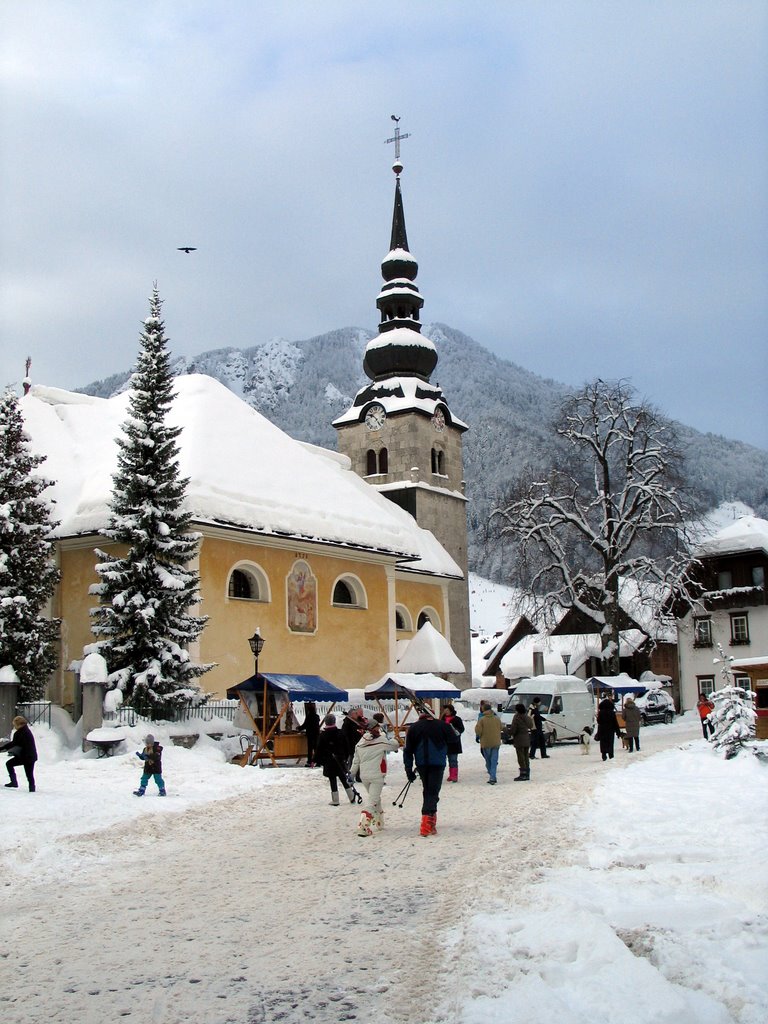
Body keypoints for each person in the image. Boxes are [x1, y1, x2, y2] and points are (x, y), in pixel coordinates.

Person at [403, 710, 457, 837]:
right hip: (437, 763)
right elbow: (454, 738)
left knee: (427, 789)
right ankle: (427, 822)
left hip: (421, 764)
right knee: (433, 791)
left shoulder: (414, 727)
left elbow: (408, 750)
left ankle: (430, 820)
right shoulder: (442, 725)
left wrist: (408, 769)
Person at [350, 722, 399, 836]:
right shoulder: (381, 740)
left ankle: (379, 822)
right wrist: (389, 737)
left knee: (375, 798)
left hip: (364, 776)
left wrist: (352, 774)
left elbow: (356, 761)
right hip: (377, 775)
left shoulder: (360, 743)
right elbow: (394, 746)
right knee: (373, 801)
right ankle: (363, 826)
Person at [314, 714, 356, 806]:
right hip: (340, 759)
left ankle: (335, 800)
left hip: (329, 760)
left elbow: (319, 749)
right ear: (334, 721)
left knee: (332, 779)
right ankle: (351, 796)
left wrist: (317, 760)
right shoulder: (340, 733)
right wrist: (345, 757)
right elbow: (346, 746)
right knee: (343, 778)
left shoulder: (323, 735)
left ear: (325, 722)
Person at [2, 716, 38, 792]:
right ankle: (32, 788)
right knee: (29, 773)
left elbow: (13, 744)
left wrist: (2, 748)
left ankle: (14, 782)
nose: (14, 726)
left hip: (25, 757)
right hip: (32, 756)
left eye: (14, 725)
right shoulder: (27, 731)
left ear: (19, 724)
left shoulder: (19, 733)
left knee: (9, 764)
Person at [474, 701, 502, 784]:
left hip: (486, 742)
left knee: (488, 760)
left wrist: (478, 737)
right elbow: (501, 727)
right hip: (496, 742)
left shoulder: (482, 719)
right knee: (494, 760)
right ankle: (493, 776)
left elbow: (478, 730)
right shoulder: (497, 718)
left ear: (483, 710)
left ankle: (492, 776)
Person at [508, 703, 535, 781]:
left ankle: (523, 774)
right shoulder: (526, 717)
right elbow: (530, 725)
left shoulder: (516, 717)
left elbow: (513, 730)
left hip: (519, 739)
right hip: (526, 738)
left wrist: (506, 730)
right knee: (526, 757)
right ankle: (527, 773)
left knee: (521, 757)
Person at [440, 704, 464, 782]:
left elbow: (461, 729)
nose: (445, 711)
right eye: (444, 710)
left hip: (454, 743)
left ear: (451, 710)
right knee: (442, 760)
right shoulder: (442, 720)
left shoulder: (457, 719)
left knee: (453, 760)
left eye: (447, 710)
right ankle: (444, 775)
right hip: (444, 743)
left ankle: (454, 776)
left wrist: (453, 729)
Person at [298, 701, 321, 767]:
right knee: (316, 748)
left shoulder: (309, 717)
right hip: (316, 734)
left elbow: (305, 725)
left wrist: (299, 729)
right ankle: (318, 761)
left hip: (310, 735)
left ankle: (310, 761)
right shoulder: (317, 716)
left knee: (310, 749)